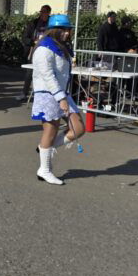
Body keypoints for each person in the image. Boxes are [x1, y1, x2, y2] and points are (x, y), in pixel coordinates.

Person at [31, 14, 85, 186]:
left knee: (78, 128)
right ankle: (44, 169)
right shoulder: (44, 49)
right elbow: (48, 76)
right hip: (47, 94)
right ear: (55, 30)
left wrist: (63, 96)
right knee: (50, 131)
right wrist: (60, 98)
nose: (68, 33)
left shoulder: (61, 47)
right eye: (64, 30)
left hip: (62, 93)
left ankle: (45, 148)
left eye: (68, 30)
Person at [19, 5, 51, 101]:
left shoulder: (52, 24)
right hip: (34, 50)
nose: (42, 14)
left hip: (47, 51)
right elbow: (24, 37)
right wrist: (33, 42)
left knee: (46, 73)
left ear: (49, 13)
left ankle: (44, 94)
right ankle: (24, 92)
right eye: (41, 12)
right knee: (29, 72)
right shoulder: (33, 23)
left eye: (44, 12)